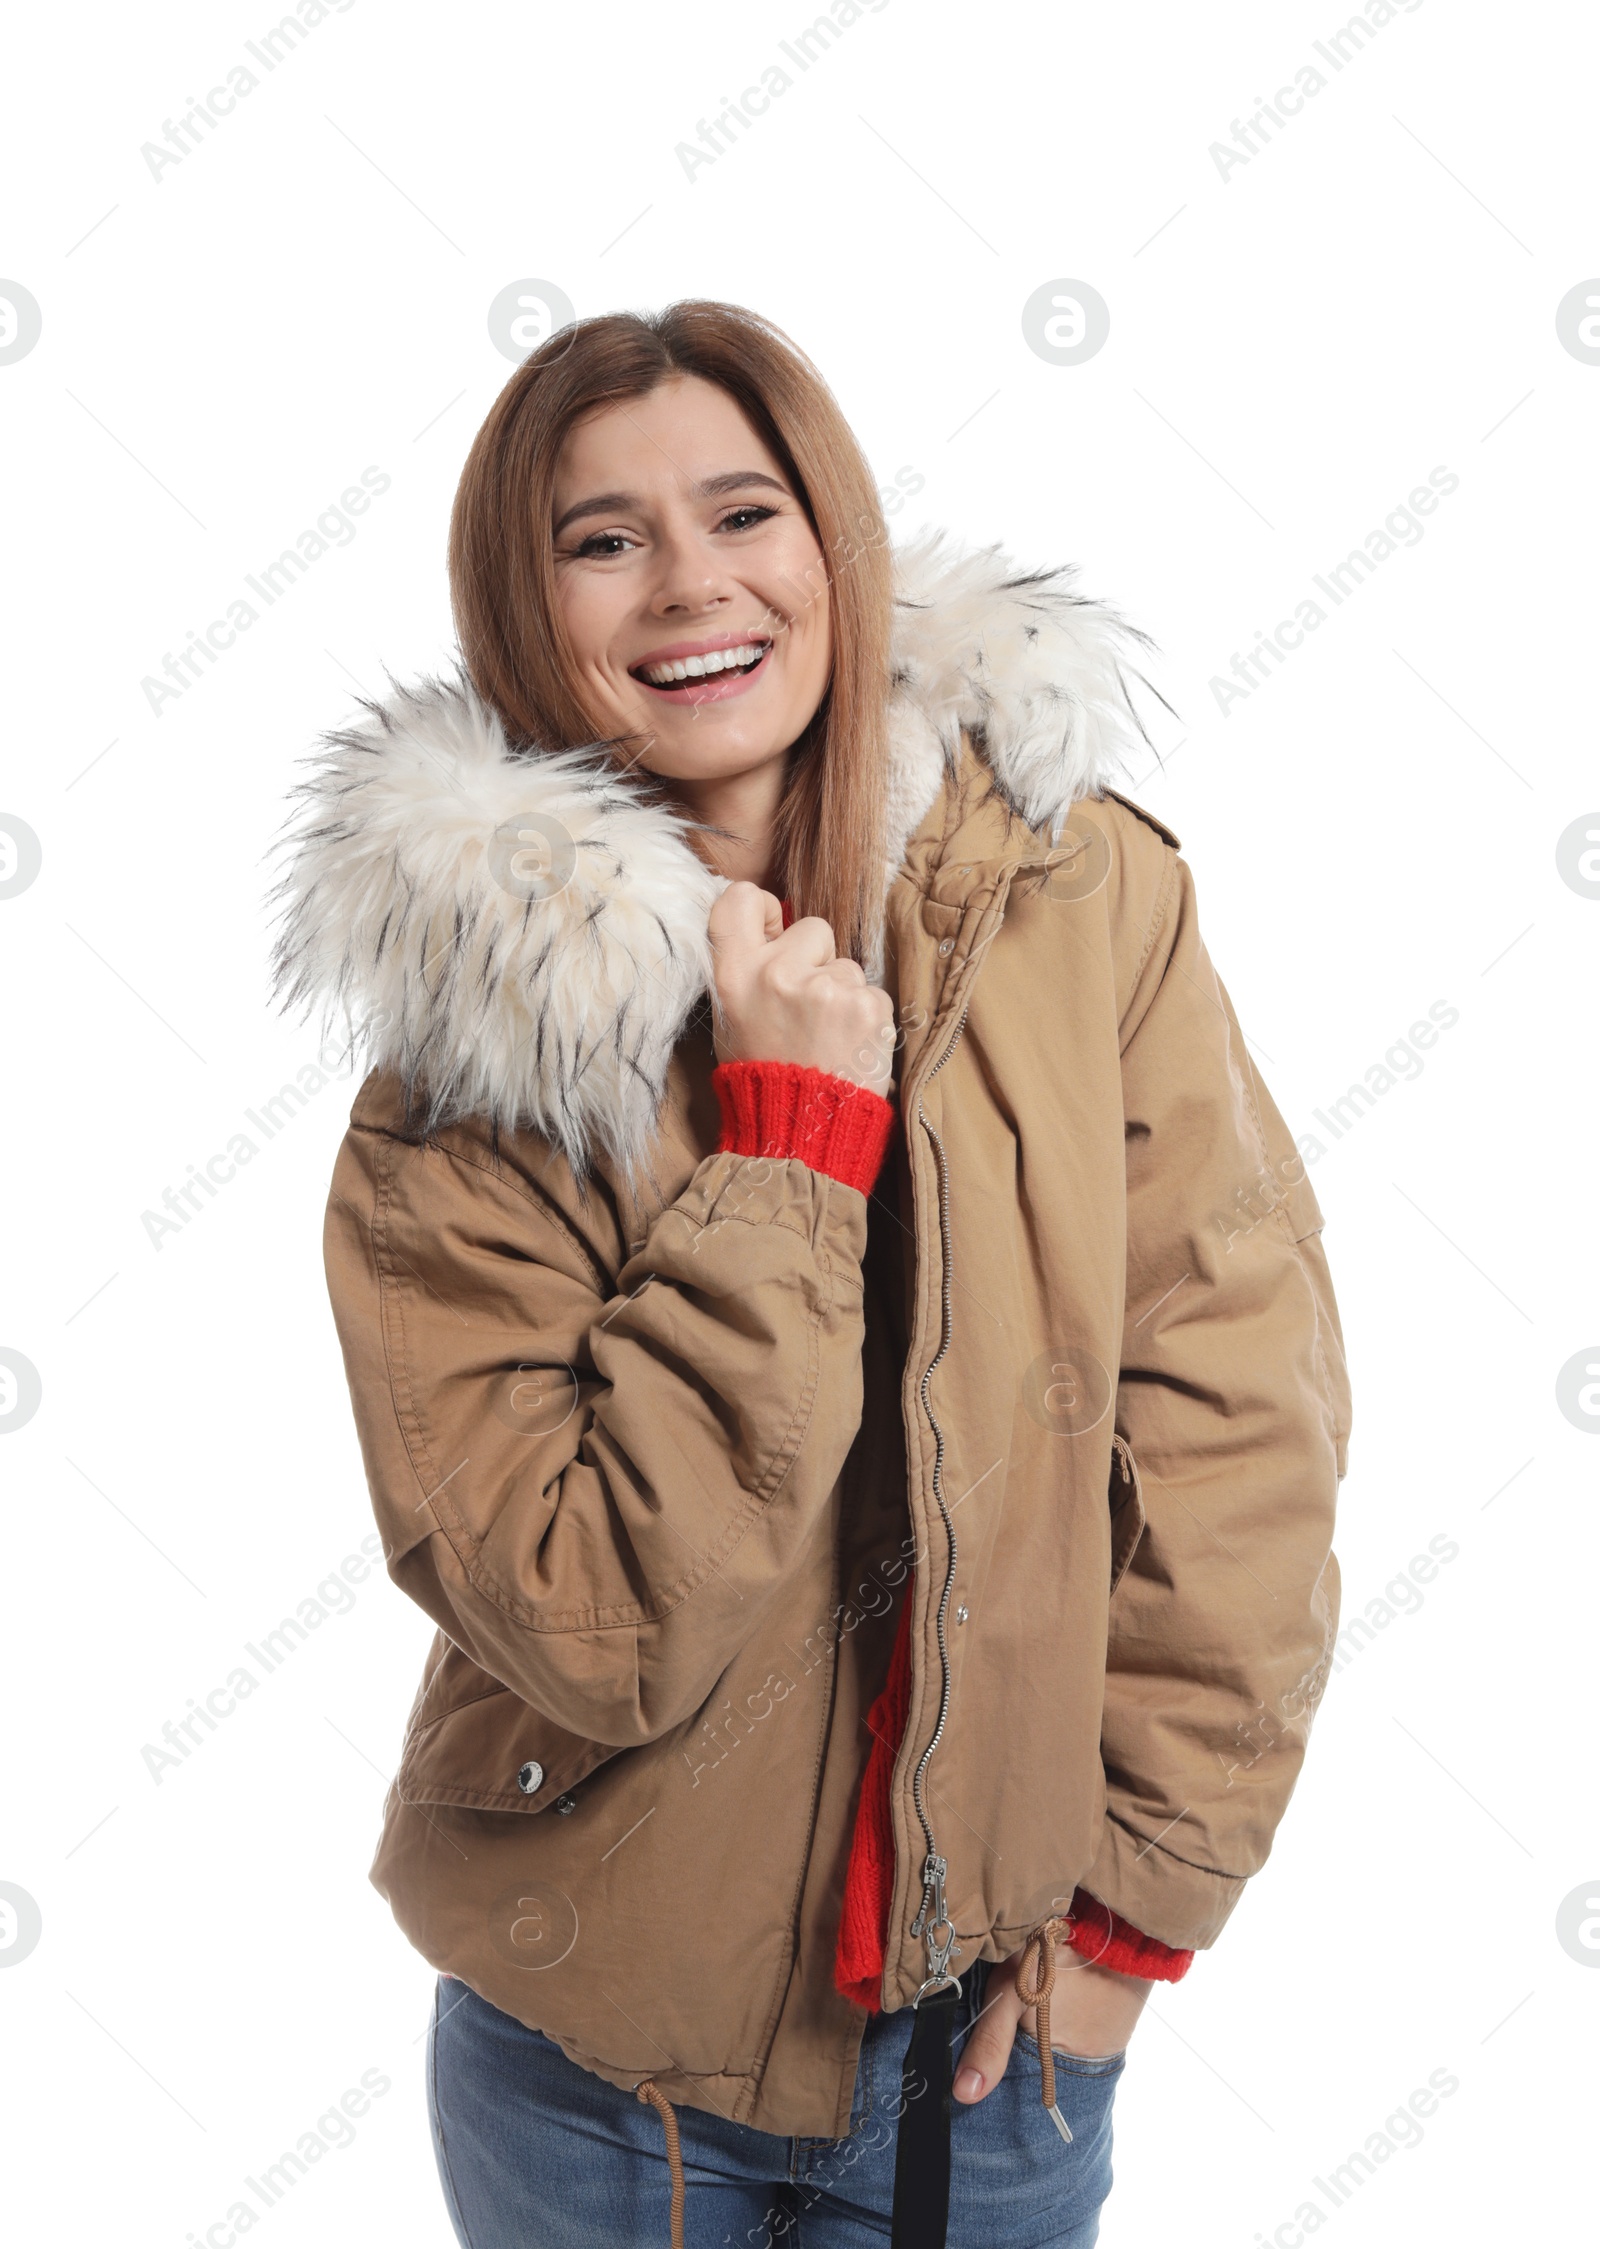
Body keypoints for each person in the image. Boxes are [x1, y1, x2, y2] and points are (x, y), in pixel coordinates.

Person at [272, 300, 1351, 2248]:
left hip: (991, 2049)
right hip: (586, 2088)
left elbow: (1231, 1416)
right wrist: (783, 1148)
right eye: (599, 538)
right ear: (529, 612)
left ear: (830, 544)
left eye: (741, 510)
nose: (687, 581)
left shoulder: (1076, 900)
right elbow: (598, 1623)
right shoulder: (466, 1078)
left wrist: (1136, 1906)